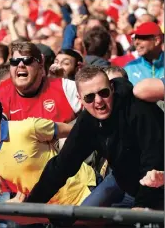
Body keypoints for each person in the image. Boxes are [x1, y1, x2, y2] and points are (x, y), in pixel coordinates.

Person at [26, 66, 164, 213]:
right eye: (89, 97)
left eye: (103, 93)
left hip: (157, 183)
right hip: (121, 180)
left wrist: (142, 205)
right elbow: (63, 165)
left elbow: (154, 160)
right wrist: (30, 205)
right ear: (80, 100)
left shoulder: (138, 109)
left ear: (112, 88)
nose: (98, 101)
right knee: (83, 216)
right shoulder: (87, 122)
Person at [0, 90, 96, 206]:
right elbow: (23, 182)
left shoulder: (28, 128)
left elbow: (78, 131)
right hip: (55, 213)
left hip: (85, 193)